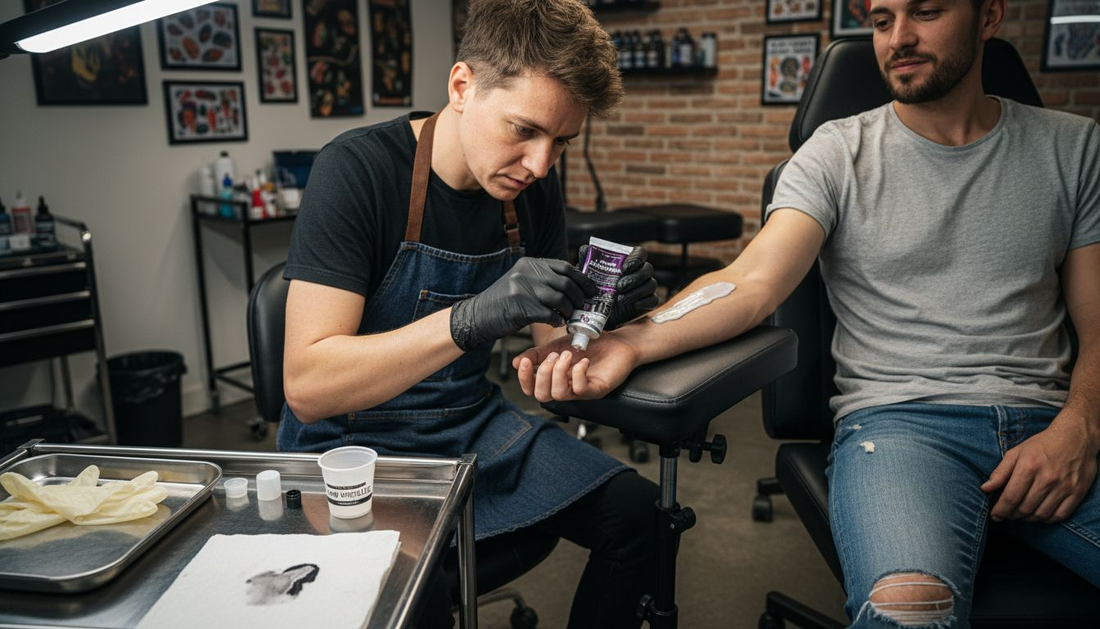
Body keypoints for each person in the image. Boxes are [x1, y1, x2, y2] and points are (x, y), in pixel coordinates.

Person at [515, 0, 1100, 625]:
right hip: (903, 430)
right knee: (910, 612)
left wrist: (1081, 426)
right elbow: (750, 281)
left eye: (925, 11)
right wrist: (629, 343)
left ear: (989, 17)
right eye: (881, 20)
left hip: (1051, 420)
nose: (898, 38)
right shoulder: (836, 154)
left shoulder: (1073, 147)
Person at [278, 0, 660, 626]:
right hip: (349, 450)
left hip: (469, 428)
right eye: (523, 131)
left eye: (562, 142)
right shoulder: (357, 172)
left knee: (639, 516)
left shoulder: (531, 189)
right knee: (410, 588)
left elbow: (551, 356)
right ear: (462, 86)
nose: (540, 164)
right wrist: (467, 320)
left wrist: (602, 315)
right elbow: (309, 386)